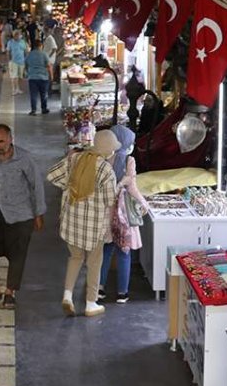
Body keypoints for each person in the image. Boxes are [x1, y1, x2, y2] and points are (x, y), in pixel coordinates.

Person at [47, 129, 119, 317]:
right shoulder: (106, 171)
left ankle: (67, 295)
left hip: (71, 222)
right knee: (94, 263)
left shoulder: (76, 159)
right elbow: (110, 202)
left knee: (75, 258)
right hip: (94, 227)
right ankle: (90, 303)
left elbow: (52, 176)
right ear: (110, 151)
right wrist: (110, 228)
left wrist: (70, 187)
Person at [0, 124, 46, 309]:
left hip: (20, 213)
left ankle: (10, 293)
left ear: (10, 139)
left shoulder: (25, 159)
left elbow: (36, 186)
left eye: (1, 141)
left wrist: (38, 213)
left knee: (18, 254)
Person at [98, 126, 150, 303]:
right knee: (124, 253)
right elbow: (132, 188)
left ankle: (99, 288)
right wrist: (144, 203)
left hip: (105, 212)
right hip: (123, 215)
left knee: (105, 251)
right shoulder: (129, 160)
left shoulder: (103, 159)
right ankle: (122, 292)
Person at [25, 38, 53, 115]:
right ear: (41, 46)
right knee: (43, 94)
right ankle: (44, 109)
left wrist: (28, 73)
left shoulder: (29, 54)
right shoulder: (44, 54)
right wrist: (51, 76)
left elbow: (26, 65)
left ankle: (33, 110)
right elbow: (49, 66)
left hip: (32, 77)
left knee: (33, 94)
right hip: (43, 77)